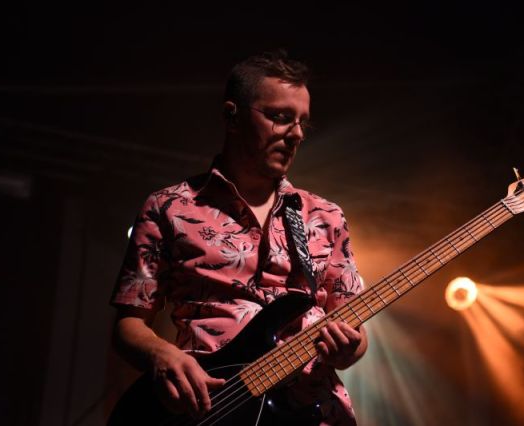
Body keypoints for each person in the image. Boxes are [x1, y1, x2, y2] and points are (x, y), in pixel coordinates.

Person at [110, 50, 368, 425]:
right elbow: (128, 325)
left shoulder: (325, 217)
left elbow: (354, 329)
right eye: (280, 117)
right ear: (232, 116)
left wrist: (350, 349)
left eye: (302, 123)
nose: (296, 134)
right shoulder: (169, 207)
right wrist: (161, 355)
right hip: (215, 410)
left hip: (312, 412)